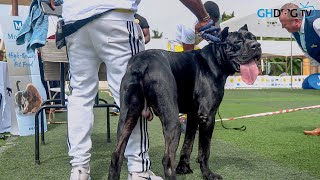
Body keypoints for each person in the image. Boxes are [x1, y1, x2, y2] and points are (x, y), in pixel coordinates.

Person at [56, 0, 217, 179]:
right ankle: (138, 169)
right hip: (115, 16)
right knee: (135, 98)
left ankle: (79, 170)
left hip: (74, 20)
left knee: (80, 95)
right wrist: (203, 17)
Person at [279, 3, 320, 136]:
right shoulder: (296, 33)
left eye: (284, 24)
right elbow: (310, 53)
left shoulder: (316, 24)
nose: (282, 27)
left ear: (296, 21)